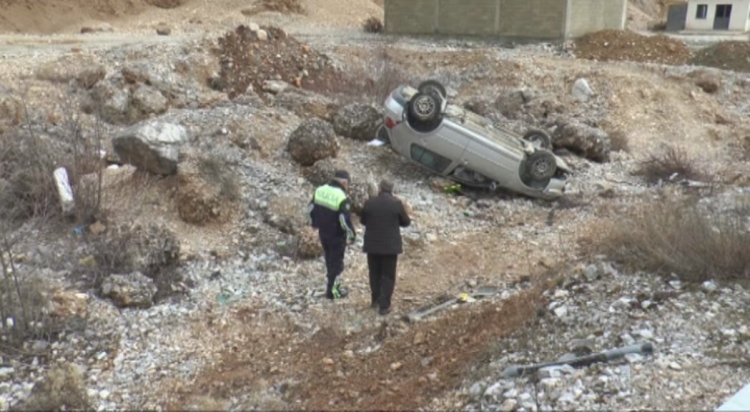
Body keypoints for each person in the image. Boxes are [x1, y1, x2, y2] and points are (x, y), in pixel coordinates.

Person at [360, 179, 411, 315]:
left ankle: (375, 300)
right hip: (390, 247)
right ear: (391, 190)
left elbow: (363, 220)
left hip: (372, 246)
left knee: (374, 274)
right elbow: (406, 222)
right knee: (388, 276)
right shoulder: (396, 204)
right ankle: (384, 306)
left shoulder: (370, 203)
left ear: (380, 189)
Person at [307, 170, 357, 300]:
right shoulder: (341, 197)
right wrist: (352, 235)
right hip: (336, 235)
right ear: (344, 183)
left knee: (329, 260)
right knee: (337, 264)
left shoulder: (320, 190)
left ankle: (330, 286)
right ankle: (334, 292)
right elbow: (343, 220)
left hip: (323, 232)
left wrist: (313, 223)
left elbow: (310, 209)